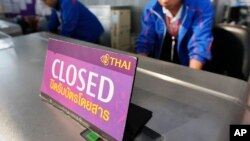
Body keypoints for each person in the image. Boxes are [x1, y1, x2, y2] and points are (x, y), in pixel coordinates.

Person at [136, 0, 214, 69]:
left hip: (188, 65)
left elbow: (199, 45)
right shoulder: (151, 8)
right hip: (160, 64)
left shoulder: (202, 6)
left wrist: (191, 78)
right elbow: (144, 42)